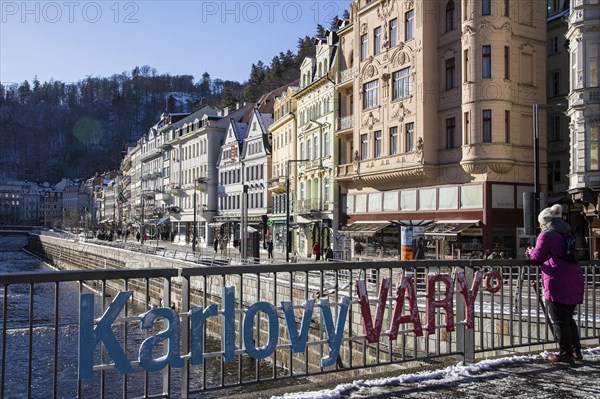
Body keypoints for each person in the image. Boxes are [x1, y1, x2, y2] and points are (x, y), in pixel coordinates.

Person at [526, 204, 584, 363]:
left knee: (558, 319)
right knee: (568, 317)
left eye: (540, 224)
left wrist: (530, 251)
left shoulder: (547, 234)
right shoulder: (567, 231)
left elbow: (537, 257)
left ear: (544, 222)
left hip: (557, 281)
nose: (540, 226)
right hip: (574, 278)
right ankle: (576, 351)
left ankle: (565, 353)